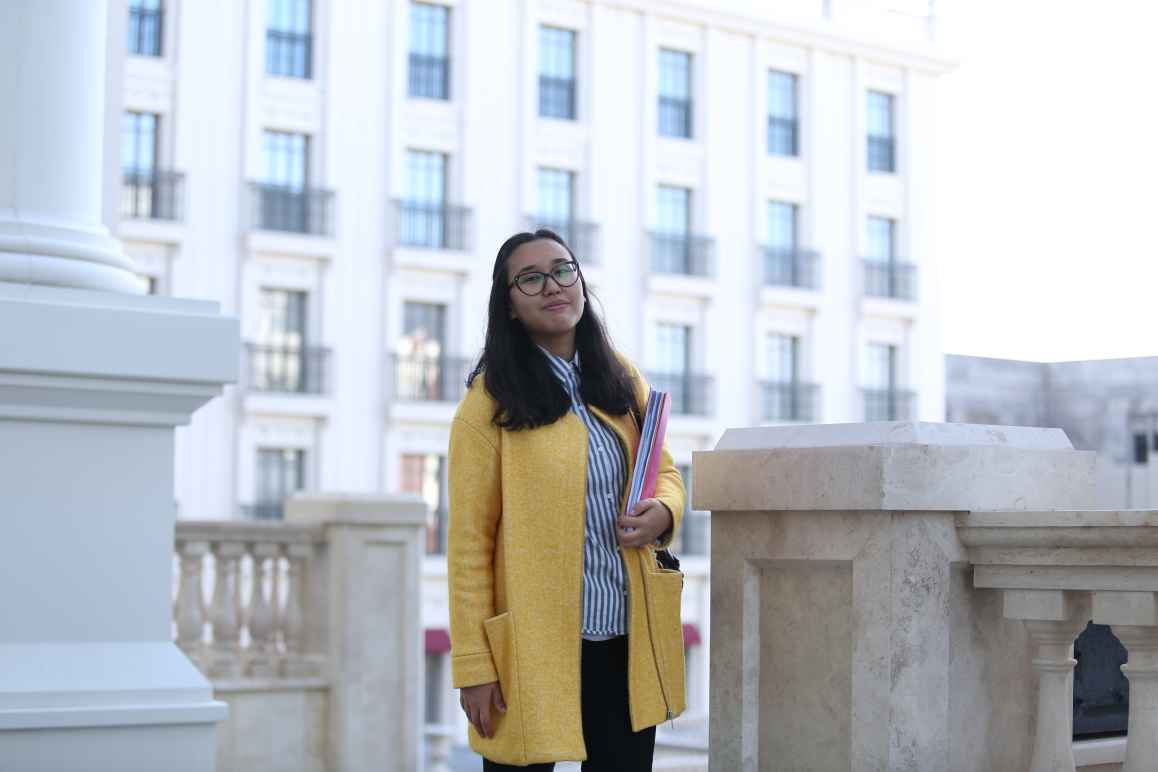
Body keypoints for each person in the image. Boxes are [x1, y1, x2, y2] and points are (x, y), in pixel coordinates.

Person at [447, 229, 688, 771]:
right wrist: (474, 667)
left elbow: (664, 469)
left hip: (627, 639)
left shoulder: (621, 378)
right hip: (532, 652)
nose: (552, 285)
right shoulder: (487, 406)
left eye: (563, 270)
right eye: (530, 278)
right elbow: (468, 546)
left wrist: (665, 511)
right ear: (508, 304)